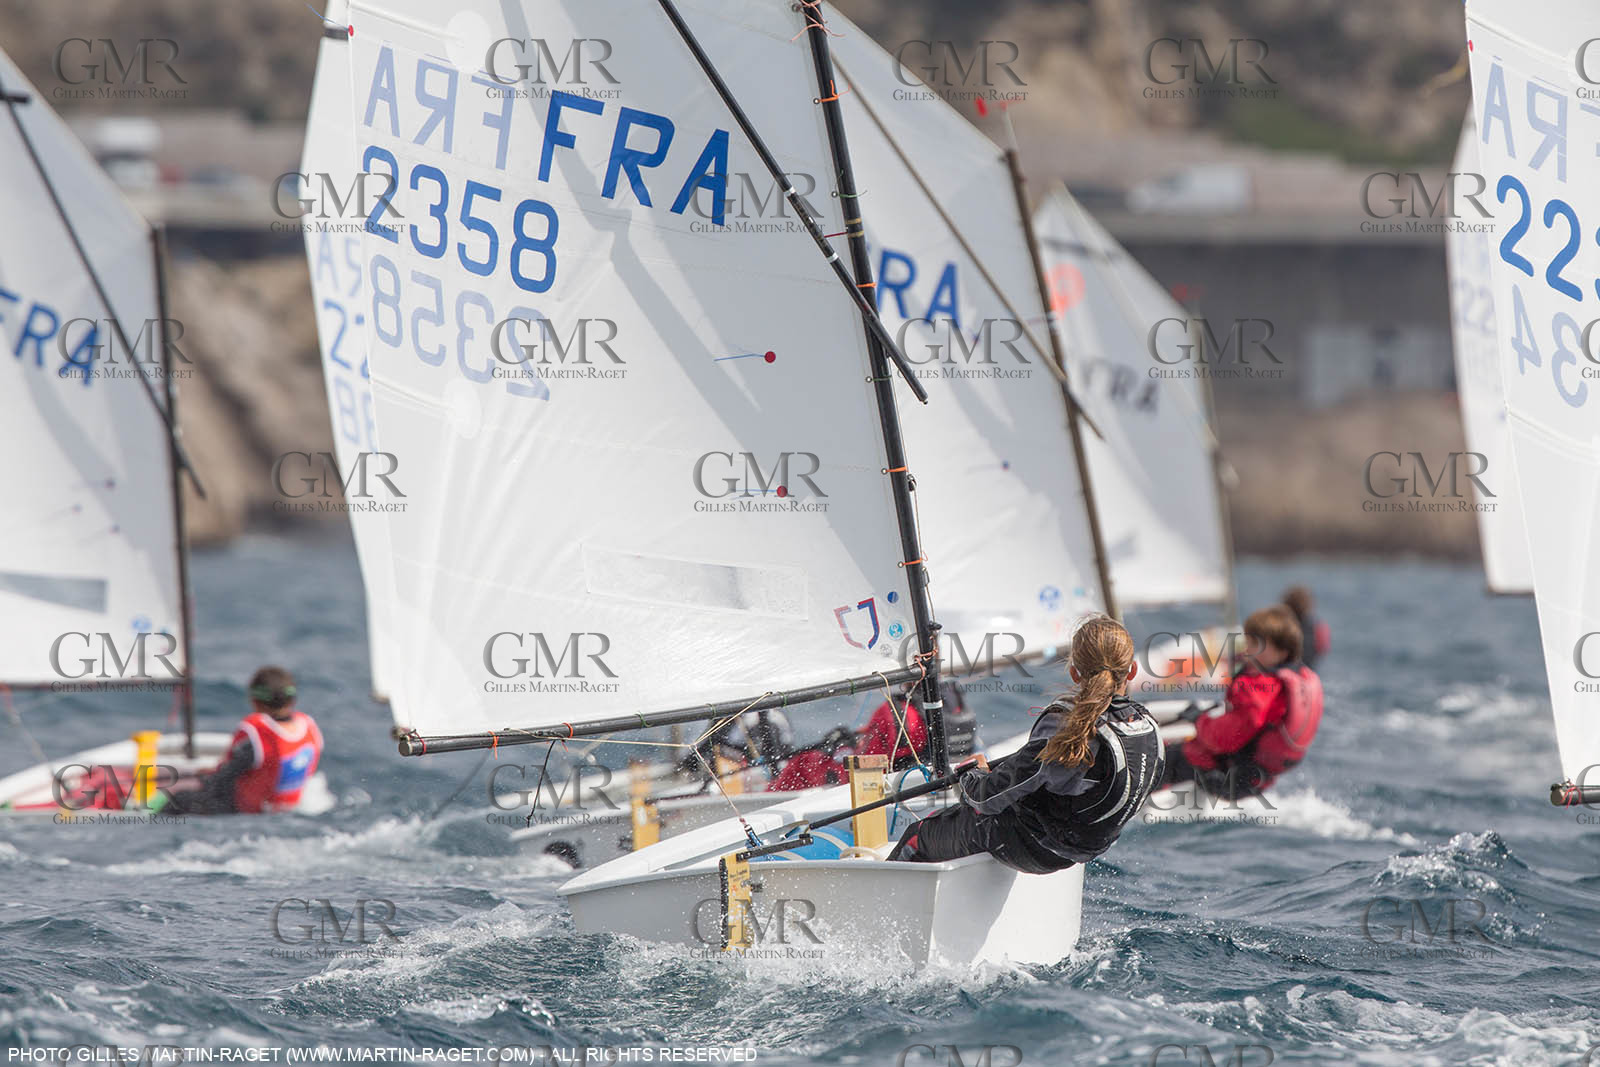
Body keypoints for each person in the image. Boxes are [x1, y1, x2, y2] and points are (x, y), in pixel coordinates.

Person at [888, 615, 1164, 873]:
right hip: (1079, 853)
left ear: (1074, 673)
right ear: (1132, 671)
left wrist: (972, 774)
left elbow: (985, 799)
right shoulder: (1150, 730)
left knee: (916, 837)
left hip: (1031, 846)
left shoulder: (1064, 728)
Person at [1163, 605, 1323, 802]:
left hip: (1230, 779)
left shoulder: (1258, 688)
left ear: (1281, 652)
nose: (1248, 650)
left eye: (1256, 644)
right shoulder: (1296, 680)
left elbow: (1223, 738)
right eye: (1248, 642)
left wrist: (1199, 720)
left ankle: (1138, 804)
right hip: (1256, 781)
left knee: (1168, 756)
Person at [158, 666, 323, 815]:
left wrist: (205, 778)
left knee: (180, 799)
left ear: (255, 701)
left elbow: (222, 780)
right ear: (292, 700)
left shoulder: (258, 735)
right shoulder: (310, 728)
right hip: (286, 807)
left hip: (245, 810)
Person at [767, 681, 944, 791]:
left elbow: (869, 763)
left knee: (804, 763)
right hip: (920, 774)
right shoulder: (945, 705)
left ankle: (766, 802)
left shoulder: (895, 712)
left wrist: (840, 749)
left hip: (876, 782)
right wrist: (857, 737)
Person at [1282, 585, 1330, 670]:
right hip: (1308, 670)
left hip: (1284, 669)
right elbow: (1323, 647)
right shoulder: (1318, 626)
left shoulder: (1280, 624)